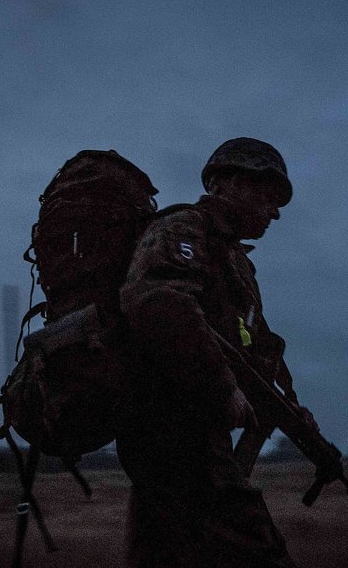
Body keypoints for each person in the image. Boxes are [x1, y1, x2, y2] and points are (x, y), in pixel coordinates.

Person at [116, 137, 304, 568]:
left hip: (191, 430)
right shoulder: (184, 229)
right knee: (258, 552)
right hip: (170, 427)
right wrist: (223, 389)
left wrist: (290, 408)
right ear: (227, 182)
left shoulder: (235, 258)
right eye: (267, 194)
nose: (275, 211)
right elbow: (158, 302)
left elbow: (257, 346)